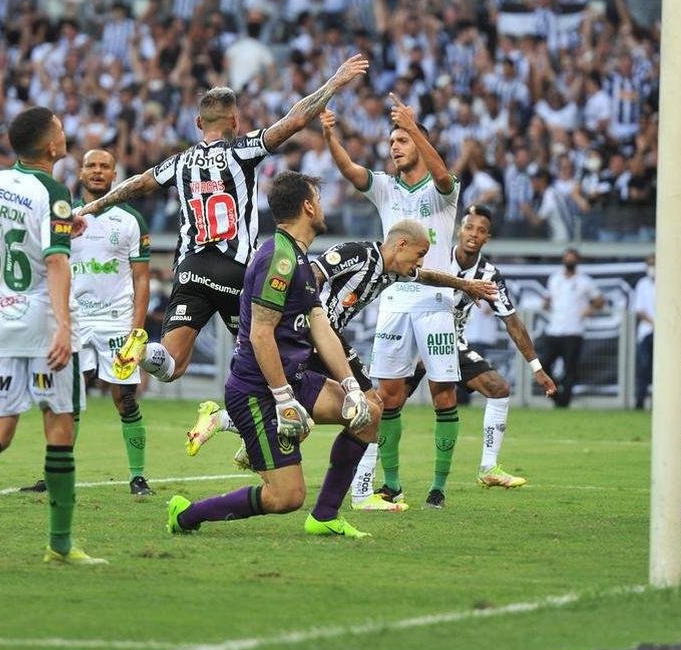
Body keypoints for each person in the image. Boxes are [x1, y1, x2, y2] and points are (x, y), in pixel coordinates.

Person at [74, 54, 369, 387]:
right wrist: (334, 82)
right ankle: (277, 415)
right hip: (236, 269)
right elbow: (296, 120)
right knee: (264, 356)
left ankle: (143, 353)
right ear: (235, 122)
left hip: (191, 268)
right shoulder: (241, 150)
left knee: (172, 365)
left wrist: (92, 206)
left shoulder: (179, 161)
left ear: (199, 123)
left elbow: (139, 183)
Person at [185, 216, 498, 513]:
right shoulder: (358, 254)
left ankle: (231, 425)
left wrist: (464, 285)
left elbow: (426, 277)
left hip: (322, 338)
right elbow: (313, 273)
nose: (420, 263)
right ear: (400, 245)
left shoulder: (394, 269)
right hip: (319, 335)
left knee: (319, 407)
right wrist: (302, 319)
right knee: (371, 404)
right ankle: (362, 495)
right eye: (419, 254)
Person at [166, 172, 379, 539]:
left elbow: (320, 325)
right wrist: (283, 399)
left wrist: (352, 386)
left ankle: (325, 516)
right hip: (257, 391)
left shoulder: (297, 256)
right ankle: (187, 515)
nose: (323, 207)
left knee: (368, 414)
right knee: (286, 497)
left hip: (296, 379)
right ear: (308, 206)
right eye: (319, 199)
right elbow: (260, 333)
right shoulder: (278, 257)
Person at [0, 106, 104, 568]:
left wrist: (62, 229)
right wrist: (65, 326)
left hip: (1, 319)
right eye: (61, 130)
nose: (66, 133)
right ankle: (61, 544)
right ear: (51, 146)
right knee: (60, 427)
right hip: (42, 322)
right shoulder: (53, 191)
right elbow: (55, 262)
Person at [324, 95, 464, 510]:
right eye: (392, 142)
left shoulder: (443, 193)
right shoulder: (386, 188)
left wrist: (414, 126)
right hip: (395, 300)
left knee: (443, 394)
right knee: (387, 395)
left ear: (418, 143)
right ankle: (393, 483)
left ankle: (438, 486)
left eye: (402, 140)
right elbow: (350, 171)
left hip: (435, 301)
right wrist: (330, 135)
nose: (395, 147)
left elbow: (442, 178)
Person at [368, 205, 557, 502]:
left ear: (487, 238)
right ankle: (382, 481)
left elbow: (512, 321)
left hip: (448, 343)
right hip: (411, 338)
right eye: (470, 228)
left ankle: (475, 473)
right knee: (383, 405)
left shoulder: (490, 274)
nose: (474, 235)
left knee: (495, 389)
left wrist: (536, 367)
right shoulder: (432, 255)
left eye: (481, 231)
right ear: (460, 229)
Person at [20, 150, 153, 496]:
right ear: (80, 173)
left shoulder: (130, 220)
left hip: (116, 322)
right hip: (75, 320)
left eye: (104, 167)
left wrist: (136, 331)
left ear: (114, 173)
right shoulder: (67, 217)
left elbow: (141, 279)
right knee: (65, 396)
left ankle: (138, 476)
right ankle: (54, 474)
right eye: (91, 166)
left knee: (125, 399)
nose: (97, 171)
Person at [540, 247, 604, 408]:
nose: (569, 261)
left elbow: (599, 300)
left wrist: (590, 309)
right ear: (563, 260)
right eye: (567, 258)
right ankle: (556, 395)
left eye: (572, 258)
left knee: (570, 369)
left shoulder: (584, 281)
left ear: (577, 261)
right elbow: (548, 298)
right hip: (554, 329)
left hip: (573, 330)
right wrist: (546, 303)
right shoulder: (554, 279)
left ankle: (564, 403)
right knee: (543, 365)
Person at [633, 255, 655, 409]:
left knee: (662, 369)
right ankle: (640, 401)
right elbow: (639, 310)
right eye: (650, 264)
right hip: (646, 332)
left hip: (666, 335)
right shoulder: (642, 284)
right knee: (644, 367)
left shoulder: (668, 283)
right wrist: (655, 323)